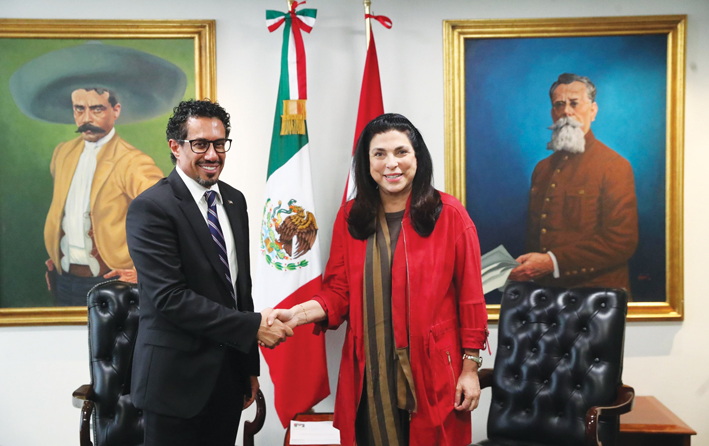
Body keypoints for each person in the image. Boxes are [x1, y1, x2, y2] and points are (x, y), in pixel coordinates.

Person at [268, 113, 488, 446]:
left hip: (432, 371)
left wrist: (470, 370)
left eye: (401, 152)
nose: (391, 164)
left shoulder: (450, 214)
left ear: (417, 157)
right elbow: (339, 291)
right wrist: (297, 315)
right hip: (369, 372)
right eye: (379, 154)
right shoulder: (351, 216)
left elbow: (470, 298)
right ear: (366, 162)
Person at [126, 99, 293, 446]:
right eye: (200, 144)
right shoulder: (151, 208)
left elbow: (239, 291)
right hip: (174, 385)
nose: (213, 155)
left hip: (227, 380)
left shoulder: (235, 200)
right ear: (176, 147)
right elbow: (171, 299)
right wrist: (254, 327)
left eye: (220, 144)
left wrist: (248, 367)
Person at [509, 73, 639, 290]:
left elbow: (621, 242)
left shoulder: (614, 166)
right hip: (544, 294)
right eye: (559, 105)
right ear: (553, 113)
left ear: (593, 111)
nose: (566, 111)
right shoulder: (542, 169)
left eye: (574, 103)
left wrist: (552, 262)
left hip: (597, 296)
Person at [44, 87, 164, 306]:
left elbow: (167, 216)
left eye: (97, 109)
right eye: (79, 109)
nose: (86, 118)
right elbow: (65, 211)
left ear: (115, 111)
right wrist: (56, 252)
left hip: (112, 283)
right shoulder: (62, 153)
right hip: (63, 279)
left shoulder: (133, 161)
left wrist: (144, 272)